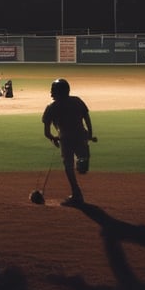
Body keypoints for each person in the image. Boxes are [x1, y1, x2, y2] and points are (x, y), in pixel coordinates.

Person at [41, 78, 94, 207]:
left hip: (66, 139)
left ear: (58, 92)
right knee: (81, 158)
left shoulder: (51, 108)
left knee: (68, 166)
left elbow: (47, 132)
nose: (51, 92)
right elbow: (87, 118)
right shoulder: (77, 101)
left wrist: (54, 138)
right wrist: (90, 134)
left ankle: (76, 193)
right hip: (81, 135)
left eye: (53, 90)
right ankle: (83, 159)